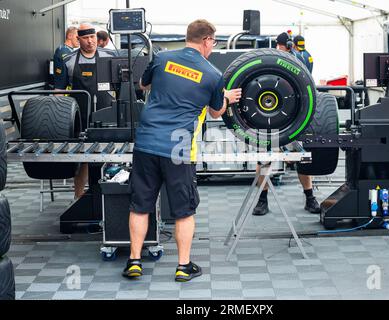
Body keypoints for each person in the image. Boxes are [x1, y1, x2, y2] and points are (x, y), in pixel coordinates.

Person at [123, 19, 242, 281]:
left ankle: (134, 261)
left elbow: (143, 85)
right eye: (214, 42)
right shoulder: (212, 74)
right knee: (184, 211)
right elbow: (215, 111)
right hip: (178, 147)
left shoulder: (162, 58)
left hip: (146, 142)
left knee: (140, 206)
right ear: (207, 40)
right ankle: (183, 266)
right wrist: (226, 97)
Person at [252, 31, 320, 216]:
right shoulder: (270, 59)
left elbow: (307, 84)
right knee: (265, 159)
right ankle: (262, 200)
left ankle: (310, 197)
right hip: (269, 119)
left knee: (302, 157)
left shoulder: (301, 58)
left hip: (295, 118)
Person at [54, 23, 116, 199]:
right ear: (78, 39)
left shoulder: (110, 56)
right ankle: (78, 198)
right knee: (81, 159)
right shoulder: (68, 60)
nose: (90, 42)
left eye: (93, 37)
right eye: (86, 38)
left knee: (107, 157)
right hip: (78, 118)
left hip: (106, 116)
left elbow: (123, 85)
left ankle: (107, 200)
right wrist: (57, 119)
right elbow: (59, 92)